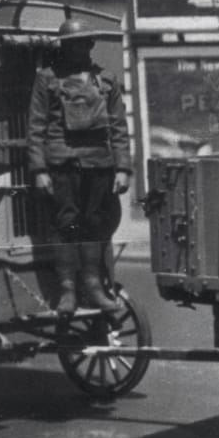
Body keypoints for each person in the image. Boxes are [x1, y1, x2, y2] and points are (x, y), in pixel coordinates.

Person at [28, 19, 132, 317]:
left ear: (90, 44)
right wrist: (39, 170)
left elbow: (118, 127)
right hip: (62, 164)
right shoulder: (47, 79)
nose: (77, 47)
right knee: (65, 225)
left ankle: (93, 286)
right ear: (63, 45)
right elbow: (35, 127)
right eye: (71, 43)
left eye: (82, 42)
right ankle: (68, 291)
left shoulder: (106, 80)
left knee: (95, 224)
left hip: (99, 164)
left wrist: (123, 168)